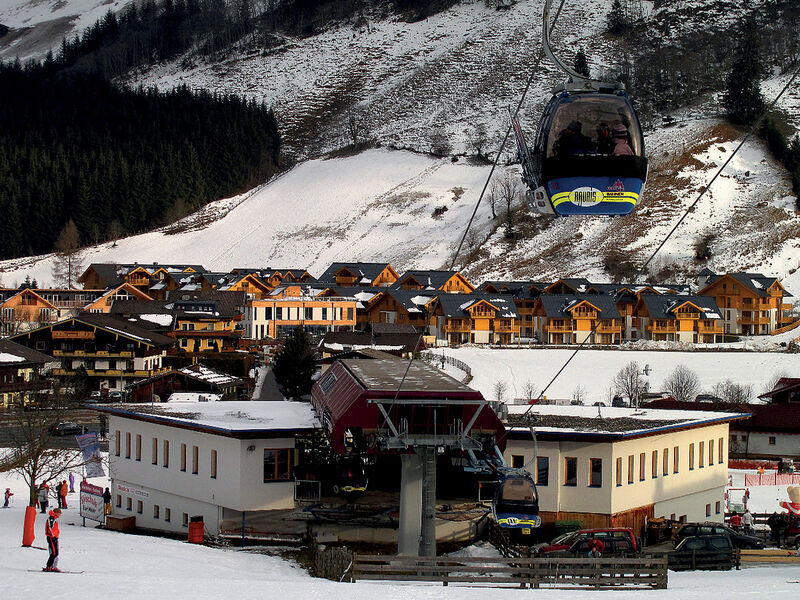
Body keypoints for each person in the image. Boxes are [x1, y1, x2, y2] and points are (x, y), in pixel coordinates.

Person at [44, 508, 61, 572]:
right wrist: (53, 535)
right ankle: (49, 566)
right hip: (52, 537)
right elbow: (50, 527)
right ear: (56, 513)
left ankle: (52, 566)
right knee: (54, 553)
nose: (60, 515)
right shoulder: (52, 518)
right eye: (59, 513)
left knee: (55, 553)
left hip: (54, 537)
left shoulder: (54, 518)